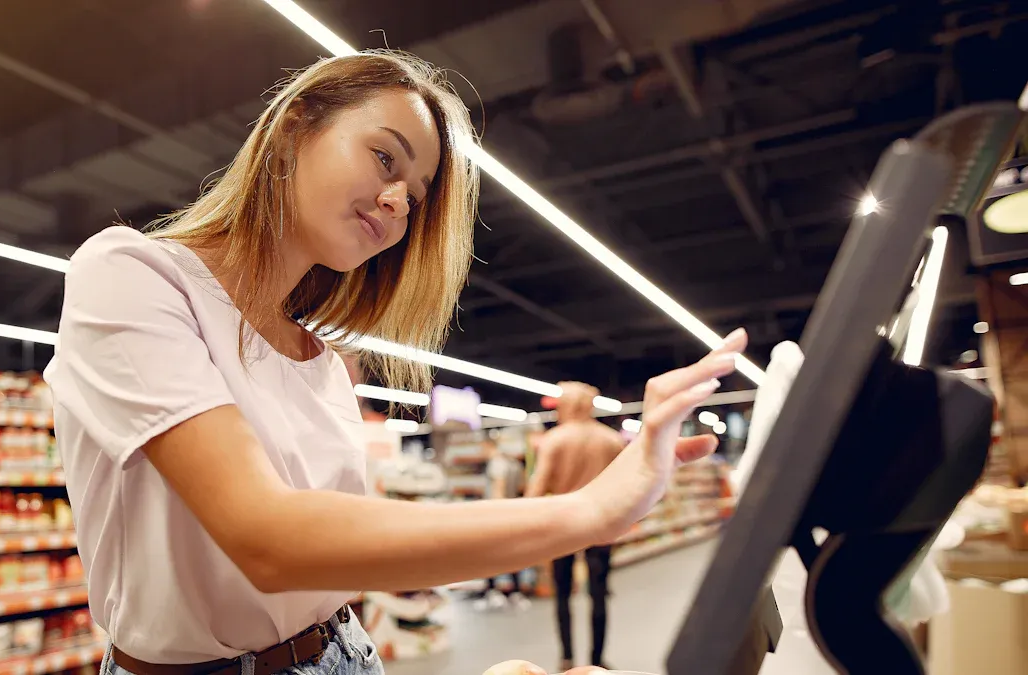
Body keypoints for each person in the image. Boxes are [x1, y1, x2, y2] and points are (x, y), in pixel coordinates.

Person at [45, 49, 746, 675]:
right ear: (296, 126)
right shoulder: (132, 274)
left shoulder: (322, 361)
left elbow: (334, 556)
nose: (396, 201)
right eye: (386, 158)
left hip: (342, 650)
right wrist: (591, 509)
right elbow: (266, 539)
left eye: (414, 196)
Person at [527, 382, 632, 672]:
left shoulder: (554, 440)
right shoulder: (611, 440)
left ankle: (567, 658)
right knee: (599, 595)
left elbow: (536, 490)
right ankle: (598, 659)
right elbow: (624, 486)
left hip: (562, 526)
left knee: (562, 594)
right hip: (602, 525)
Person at [476, 438, 531, 612]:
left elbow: (498, 489)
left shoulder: (496, 464)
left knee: (490, 554)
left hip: (497, 515)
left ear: (488, 446)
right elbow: (521, 486)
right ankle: (515, 592)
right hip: (510, 513)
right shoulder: (512, 463)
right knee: (512, 554)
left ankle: (493, 592)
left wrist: (494, 516)